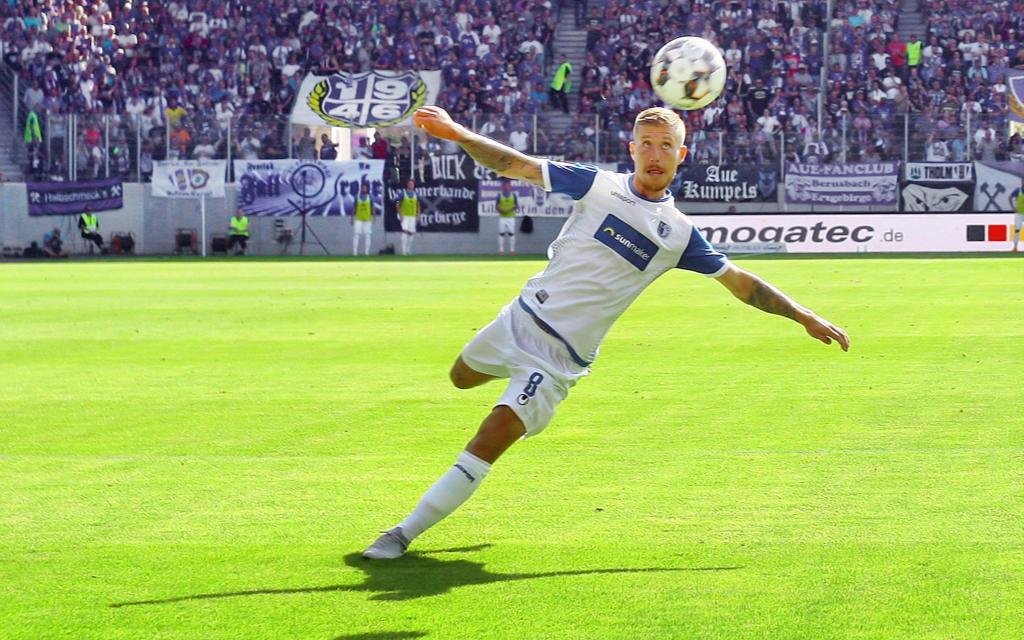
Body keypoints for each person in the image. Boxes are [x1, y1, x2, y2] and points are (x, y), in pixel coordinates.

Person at [362, 106, 851, 560]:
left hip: (556, 359)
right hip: (518, 317)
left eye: (666, 145)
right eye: (647, 143)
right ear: (631, 148)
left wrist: (803, 315)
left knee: (492, 435)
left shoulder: (678, 234)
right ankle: (514, 399)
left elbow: (742, 283)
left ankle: (401, 533)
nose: (655, 154)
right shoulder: (596, 186)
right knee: (461, 378)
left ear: (682, 155)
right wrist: (458, 133)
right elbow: (517, 165)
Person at [351, 182, 376, 256]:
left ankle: (366, 252)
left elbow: (373, 208)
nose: (364, 189)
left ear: (367, 189)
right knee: (356, 235)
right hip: (358, 218)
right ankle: (355, 253)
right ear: (360, 188)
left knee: (367, 235)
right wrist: (352, 217)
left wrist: (374, 217)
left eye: (365, 188)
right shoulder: (357, 197)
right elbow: (354, 208)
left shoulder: (370, 197)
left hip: (367, 219)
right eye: (362, 187)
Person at [495, 179, 519, 255]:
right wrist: (501, 210)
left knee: (511, 233)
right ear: (503, 187)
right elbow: (497, 206)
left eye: (508, 186)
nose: (507, 187)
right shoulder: (500, 195)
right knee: (501, 233)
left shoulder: (513, 195)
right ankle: (501, 250)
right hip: (502, 217)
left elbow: (516, 205)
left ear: (510, 187)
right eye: (505, 186)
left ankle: (512, 250)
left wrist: (509, 210)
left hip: (511, 217)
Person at [397, 179, 419, 256]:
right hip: (404, 216)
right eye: (410, 184)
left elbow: (418, 205)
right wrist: (400, 214)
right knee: (405, 232)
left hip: (412, 216)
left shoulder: (416, 194)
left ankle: (408, 250)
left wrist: (418, 215)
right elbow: (397, 203)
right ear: (407, 185)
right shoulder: (403, 193)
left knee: (411, 233)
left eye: (412, 184)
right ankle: (403, 251)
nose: (411, 185)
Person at [1014, 186, 1024, 253]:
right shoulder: (1018, 190)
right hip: (1019, 213)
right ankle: (1015, 247)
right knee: (1017, 230)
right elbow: (1010, 198)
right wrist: (1013, 207)